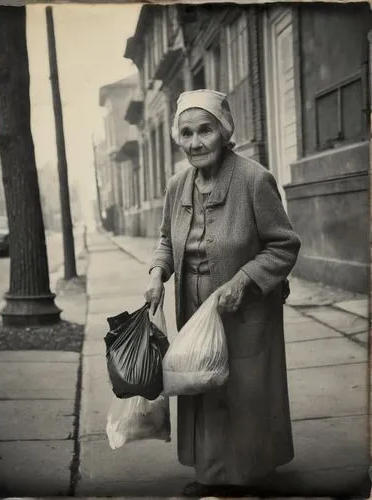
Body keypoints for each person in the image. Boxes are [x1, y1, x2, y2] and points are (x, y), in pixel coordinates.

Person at [145, 89, 301, 498]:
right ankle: (211, 474)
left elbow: (283, 245)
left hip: (246, 311)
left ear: (224, 131)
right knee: (203, 384)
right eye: (186, 133)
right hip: (195, 308)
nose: (195, 142)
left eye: (205, 131)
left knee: (246, 390)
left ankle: (249, 476)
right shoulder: (178, 185)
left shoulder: (254, 179)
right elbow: (166, 238)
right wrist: (157, 273)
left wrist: (245, 279)